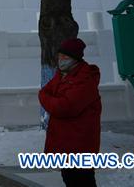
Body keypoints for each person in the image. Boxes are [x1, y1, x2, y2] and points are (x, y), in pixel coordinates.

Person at [38, 37, 102, 187]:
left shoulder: (85, 79)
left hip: (80, 143)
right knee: (69, 178)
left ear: (75, 58)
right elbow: (44, 92)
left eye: (65, 57)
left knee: (82, 180)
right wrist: (49, 98)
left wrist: (48, 99)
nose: (61, 60)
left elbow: (63, 107)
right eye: (60, 56)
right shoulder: (62, 75)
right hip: (66, 141)